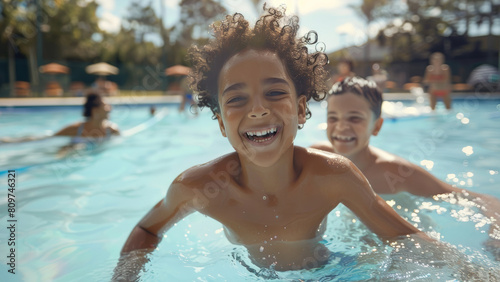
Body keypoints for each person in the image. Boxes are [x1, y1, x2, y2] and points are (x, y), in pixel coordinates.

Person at [115, 6, 432, 278]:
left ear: (301, 109)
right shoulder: (199, 188)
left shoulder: (334, 177)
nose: (257, 109)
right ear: (221, 123)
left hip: (331, 271)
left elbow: (407, 238)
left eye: (275, 92)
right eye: (237, 98)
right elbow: (147, 229)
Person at [311, 77, 500, 255]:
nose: (341, 127)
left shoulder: (395, 171)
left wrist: (496, 236)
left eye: (354, 118)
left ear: (376, 126)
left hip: (402, 243)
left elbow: (481, 199)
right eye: (333, 118)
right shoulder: (318, 158)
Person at [0, 92, 120, 144]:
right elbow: (49, 139)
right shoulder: (75, 129)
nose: (110, 108)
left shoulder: (113, 130)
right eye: (106, 105)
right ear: (95, 110)